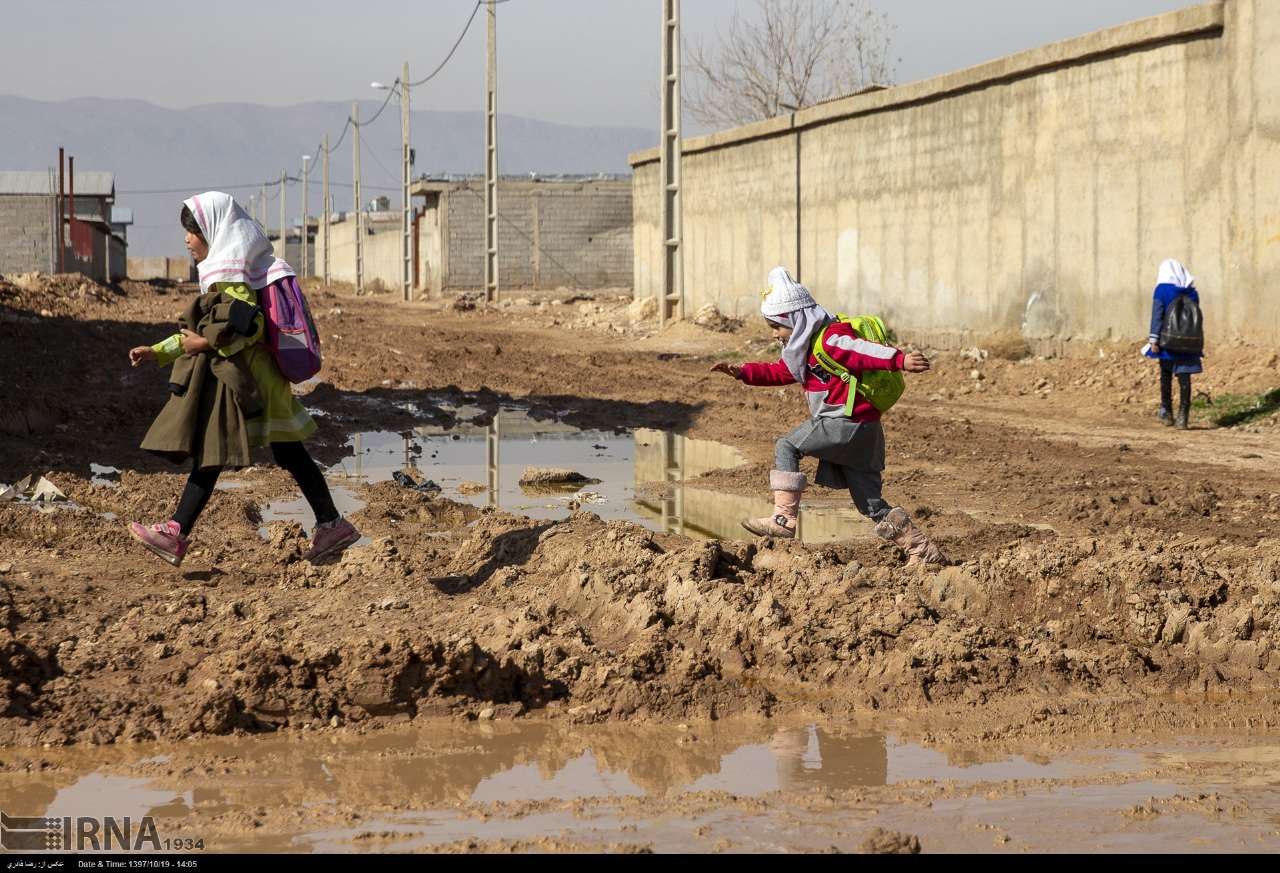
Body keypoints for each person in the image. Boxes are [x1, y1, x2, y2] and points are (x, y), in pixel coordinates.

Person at [126, 191, 360, 567]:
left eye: (192, 231)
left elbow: (247, 326)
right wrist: (158, 351)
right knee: (281, 454)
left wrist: (203, 342)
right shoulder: (230, 271)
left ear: (213, 231)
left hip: (249, 384)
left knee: (217, 453)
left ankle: (175, 533)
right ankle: (331, 524)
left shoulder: (230, 276)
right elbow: (203, 328)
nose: (187, 239)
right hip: (253, 382)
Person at [710, 266, 945, 565]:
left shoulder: (830, 338)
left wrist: (899, 359)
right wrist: (743, 372)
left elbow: (861, 350)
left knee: (787, 445)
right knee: (870, 504)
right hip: (865, 430)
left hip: (843, 424)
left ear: (794, 319)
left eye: (777, 327)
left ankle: (783, 520)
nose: (775, 334)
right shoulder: (804, 349)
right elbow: (780, 371)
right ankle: (923, 552)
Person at [1144, 258, 1203, 429]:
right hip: (1188, 341)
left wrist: (1153, 339)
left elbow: (1157, 314)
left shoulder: (1162, 290)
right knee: (1185, 377)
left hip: (1167, 340)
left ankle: (1166, 412)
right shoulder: (1193, 292)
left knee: (1166, 374)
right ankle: (1183, 417)